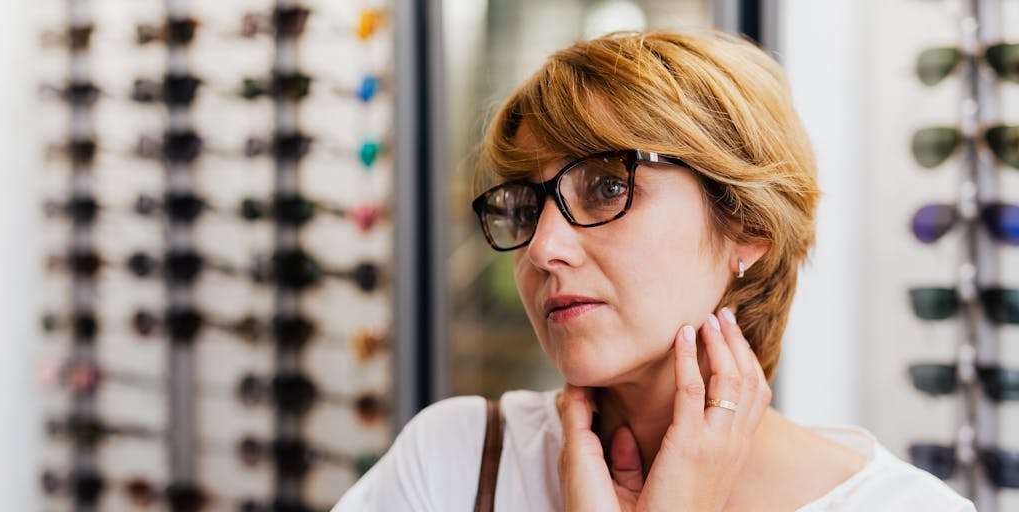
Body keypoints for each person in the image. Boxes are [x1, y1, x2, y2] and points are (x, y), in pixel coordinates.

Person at [334, 29, 976, 511]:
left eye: (607, 187)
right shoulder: (457, 459)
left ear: (747, 225)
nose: (541, 249)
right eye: (525, 207)